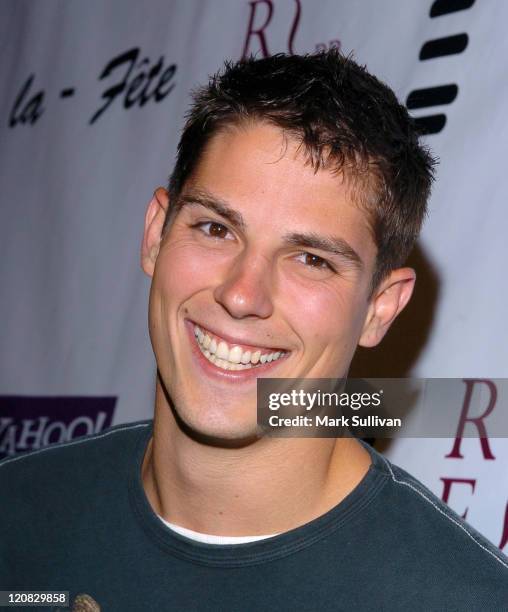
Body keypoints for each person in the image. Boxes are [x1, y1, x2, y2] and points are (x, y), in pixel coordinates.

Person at [1, 50, 507, 611]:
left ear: (379, 309)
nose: (242, 295)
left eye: (311, 259)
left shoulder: (462, 599)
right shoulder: (16, 519)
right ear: (155, 235)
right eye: (215, 228)